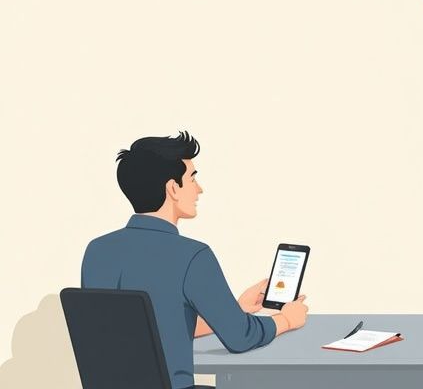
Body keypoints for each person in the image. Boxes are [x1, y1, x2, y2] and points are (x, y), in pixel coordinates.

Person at [81, 131, 309, 389]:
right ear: (173, 188)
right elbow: (241, 338)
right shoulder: (193, 256)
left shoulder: (98, 251)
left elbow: (144, 331)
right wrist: (287, 319)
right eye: (192, 178)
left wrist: (235, 309)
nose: (199, 189)